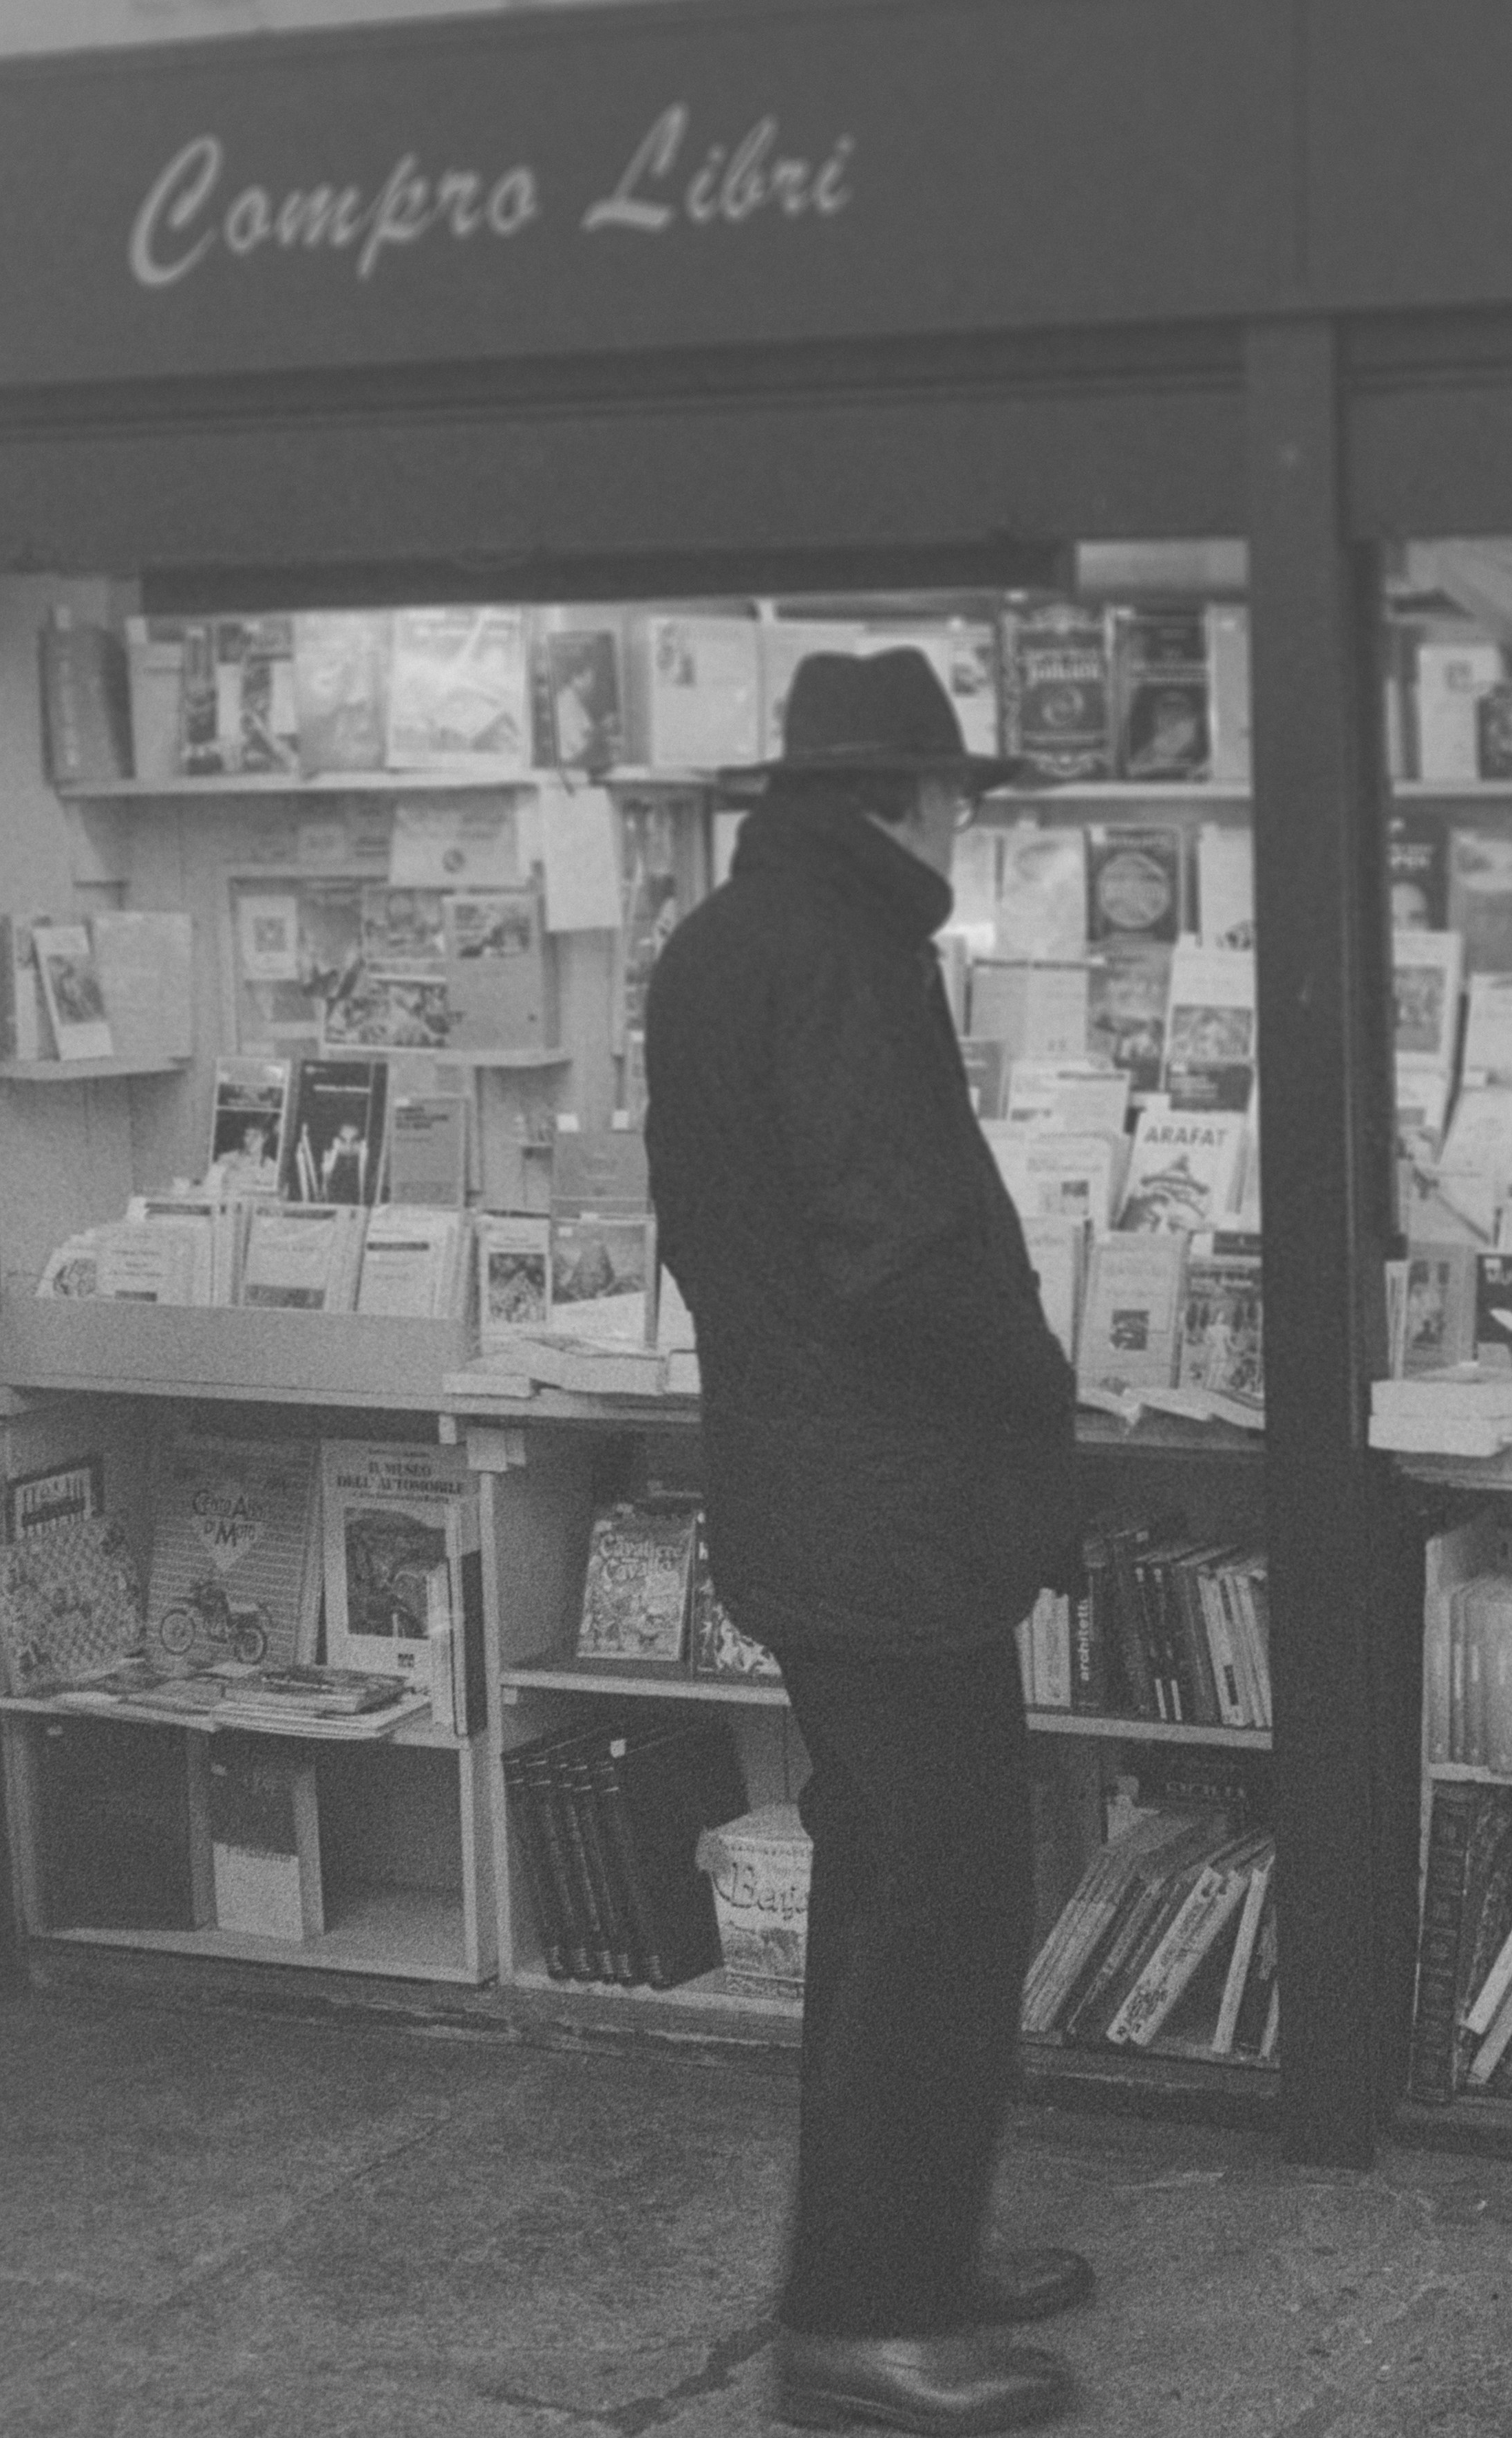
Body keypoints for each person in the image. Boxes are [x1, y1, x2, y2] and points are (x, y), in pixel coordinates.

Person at [645, 653, 1092, 2436]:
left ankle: (906, 2253)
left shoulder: (727, 939)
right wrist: (1035, 1376)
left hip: (811, 1486)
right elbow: (896, 1248)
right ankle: (868, 2316)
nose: (965, 826)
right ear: (897, 799)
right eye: (954, 797)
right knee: (938, 1901)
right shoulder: (840, 957)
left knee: (884, 1885)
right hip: (893, 1508)